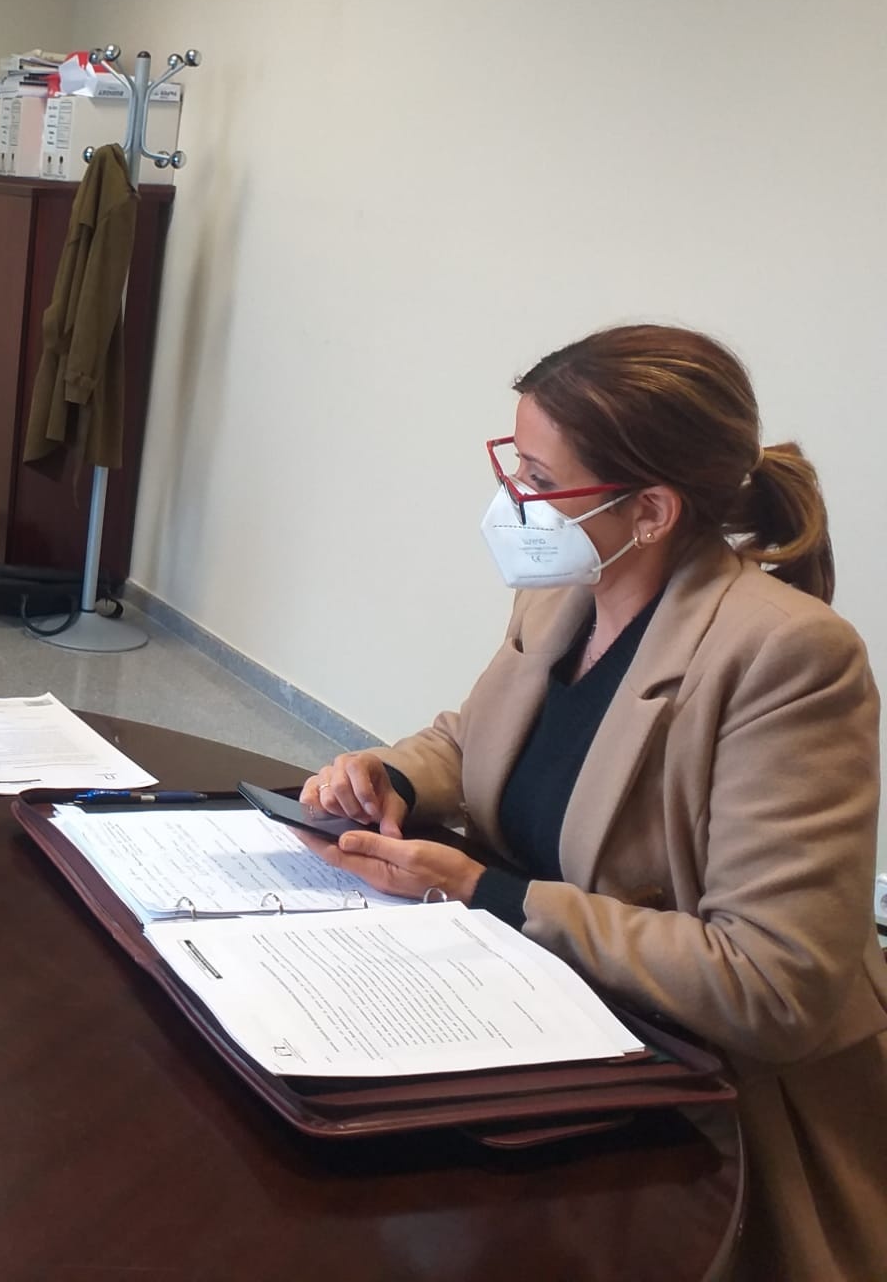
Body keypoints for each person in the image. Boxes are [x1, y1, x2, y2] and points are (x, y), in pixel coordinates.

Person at [299, 324, 886, 1280]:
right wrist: (389, 776)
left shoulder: (788, 657)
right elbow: (475, 738)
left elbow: (772, 985)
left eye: (537, 479)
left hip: (717, 1105)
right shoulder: (565, 591)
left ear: (650, 510)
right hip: (540, 1013)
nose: (511, 501)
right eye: (513, 465)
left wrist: (486, 892)